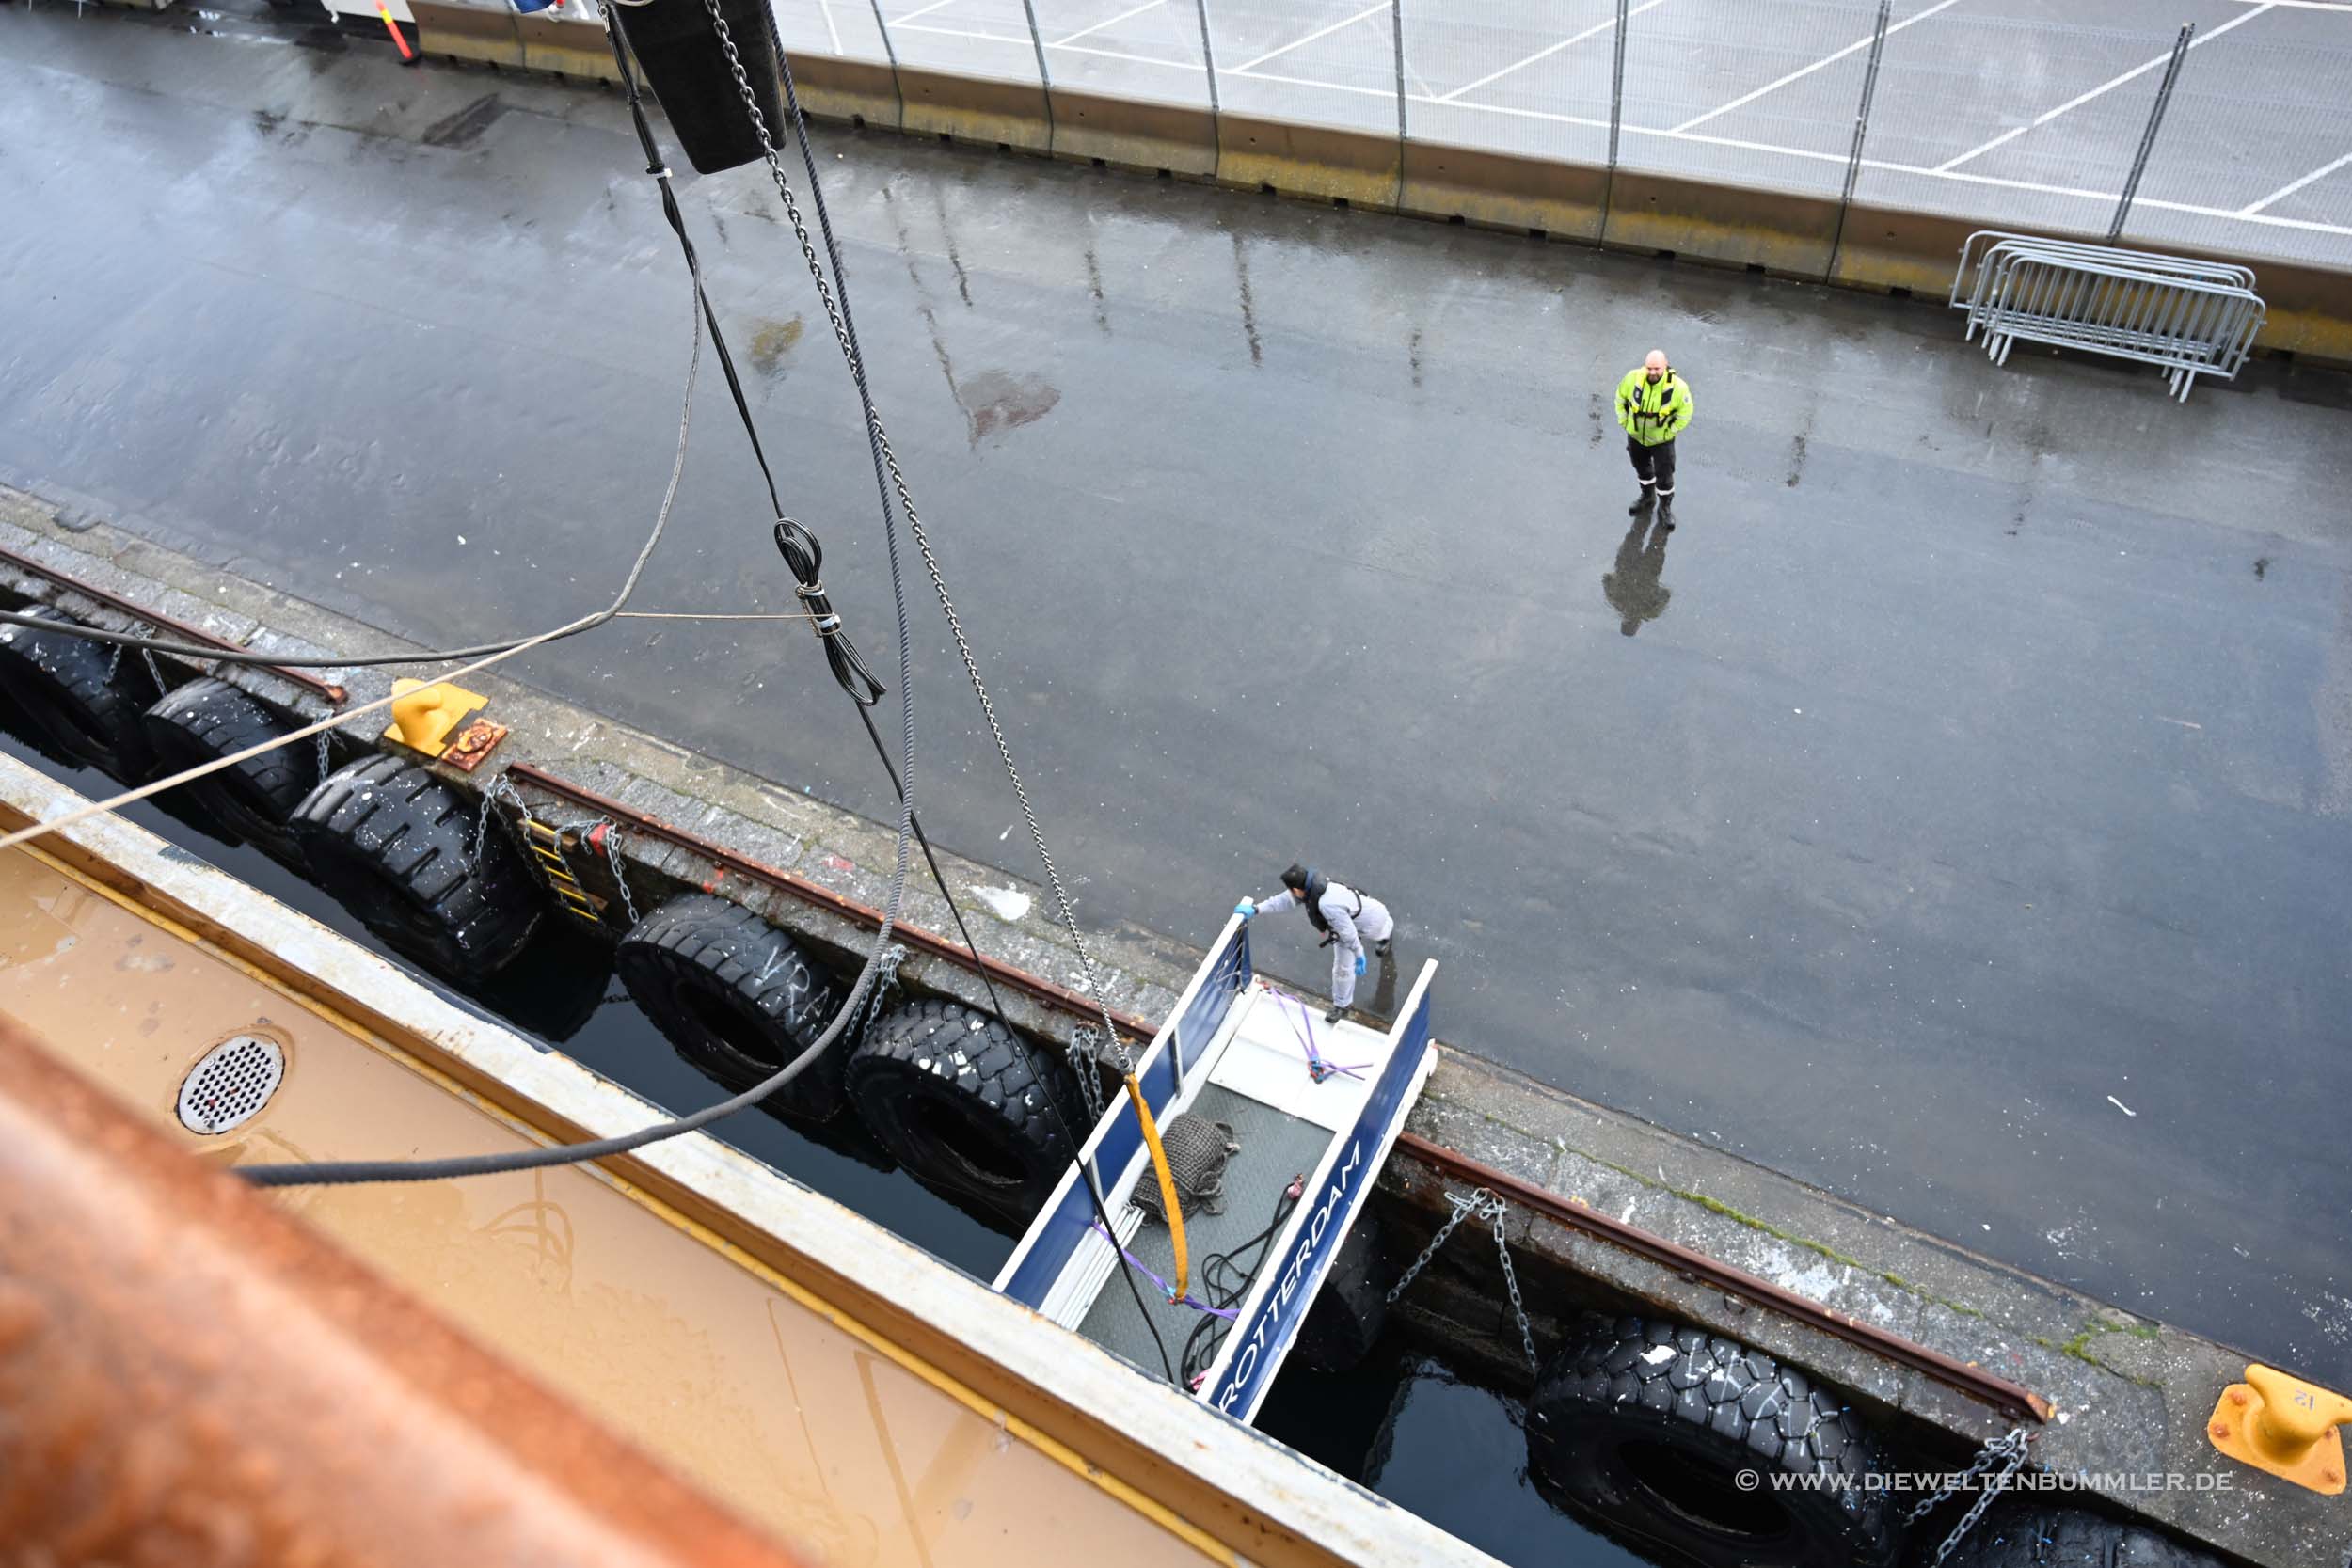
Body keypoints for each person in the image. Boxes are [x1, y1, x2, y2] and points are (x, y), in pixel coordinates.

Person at [1236, 863, 1393, 1022]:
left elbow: (1349, 933)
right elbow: (1284, 900)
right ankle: (1342, 1005)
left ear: (1296, 889)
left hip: (1372, 919)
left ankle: (1386, 937)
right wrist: (1256, 909)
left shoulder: (1327, 904)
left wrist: (1359, 954)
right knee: (1342, 969)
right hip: (1344, 923)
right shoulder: (1309, 887)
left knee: (1381, 931)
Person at [1615, 350, 1693, 526]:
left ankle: (1664, 507)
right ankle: (1647, 496)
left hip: (1661, 441)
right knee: (1641, 468)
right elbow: (1620, 398)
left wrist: (1670, 431)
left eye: (1657, 368)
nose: (1652, 372)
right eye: (1649, 368)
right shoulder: (1632, 378)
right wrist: (1624, 422)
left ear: (1665, 366)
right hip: (1636, 437)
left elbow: (1685, 412)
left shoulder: (1678, 388)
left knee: (1664, 475)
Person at [1601, 512, 1673, 637]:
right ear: (1623, 621)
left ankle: (1663, 510)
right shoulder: (1616, 602)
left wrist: (1652, 590)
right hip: (1627, 565)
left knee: (1658, 540)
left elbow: (1666, 595)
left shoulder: (1650, 612)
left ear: (1637, 625)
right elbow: (1606, 579)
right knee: (1637, 532)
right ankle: (1648, 506)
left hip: (1649, 571)